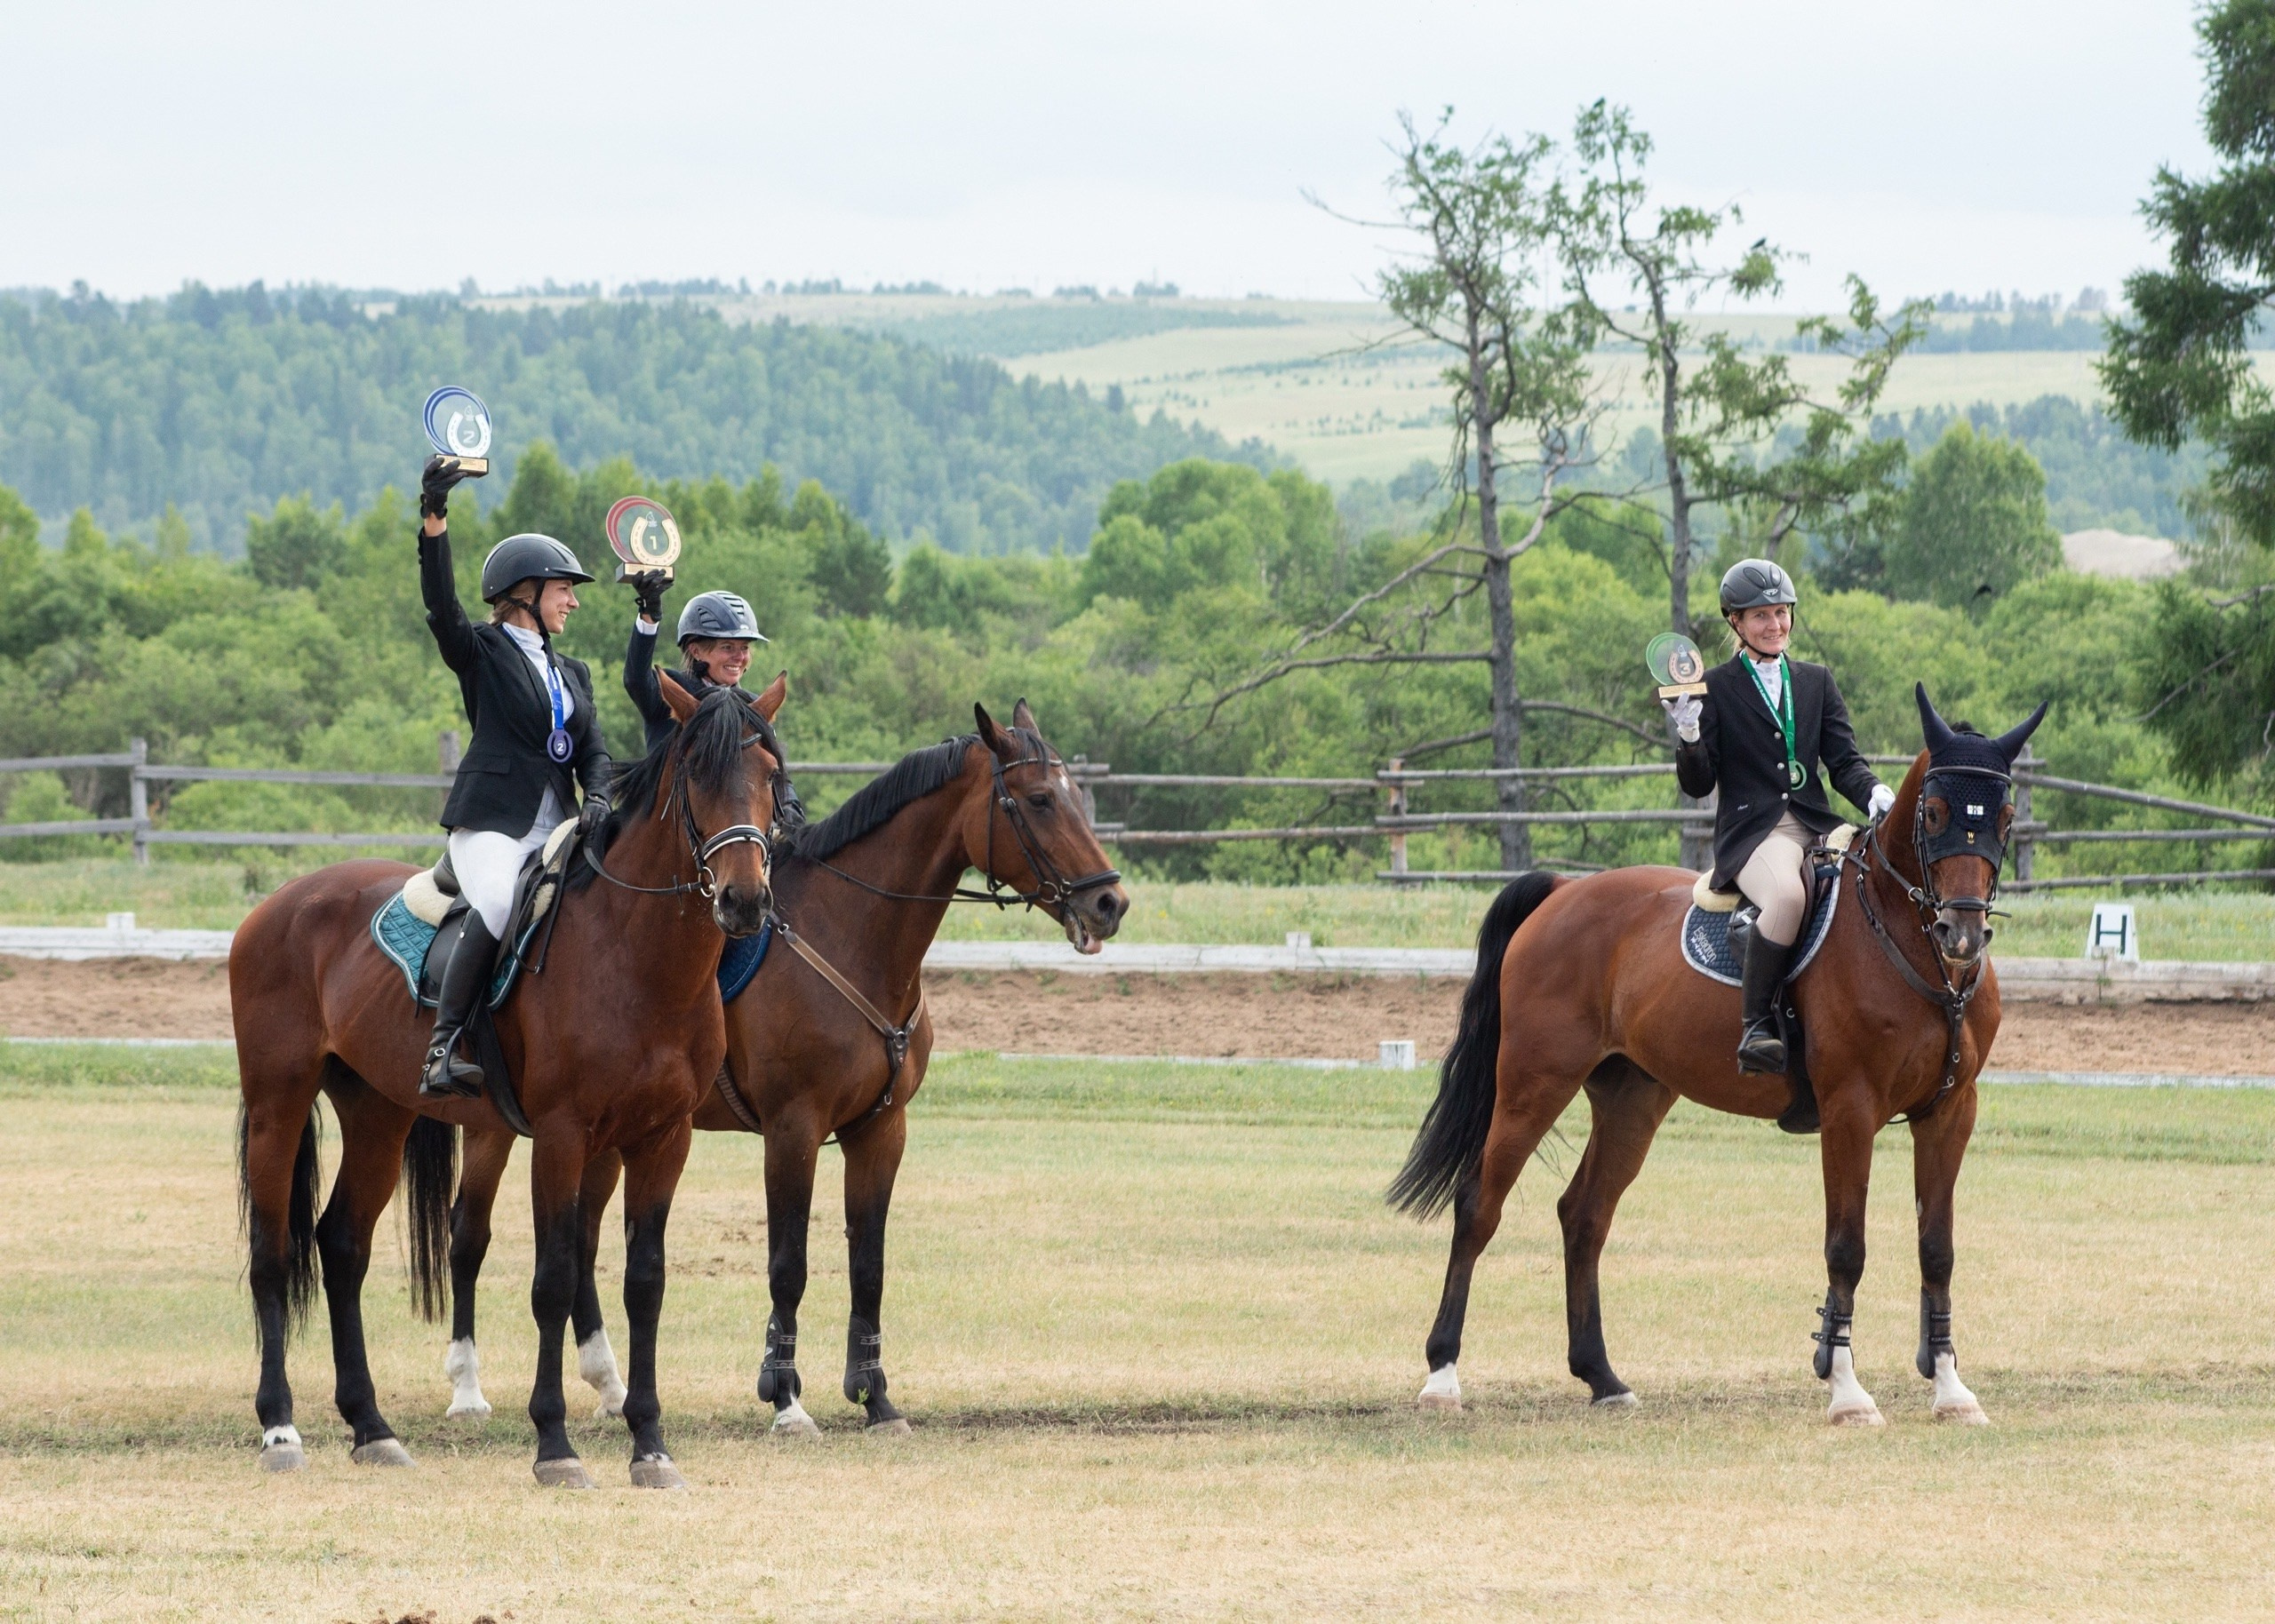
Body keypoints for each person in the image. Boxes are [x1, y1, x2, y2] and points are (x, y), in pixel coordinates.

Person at [1665, 559, 1895, 1126]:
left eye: (1781, 613)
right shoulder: (1716, 688)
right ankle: (1758, 1027)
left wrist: (1874, 792)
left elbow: (1843, 761)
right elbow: (1698, 785)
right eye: (1761, 616)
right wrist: (1689, 734)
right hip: (1755, 833)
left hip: (1816, 825)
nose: (1775, 625)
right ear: (1736, 622)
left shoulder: (1816, 680)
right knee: (1788, 898)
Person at [416, 455, 612, 1098]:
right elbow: (441, 608)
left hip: (559, 827)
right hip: (492, 824)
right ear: (526, 590)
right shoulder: (482, 650)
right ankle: (444, 1046)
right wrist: (435, 516)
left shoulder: (573, 673)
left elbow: (593, 751)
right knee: (499, 902)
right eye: (564, 590)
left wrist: (600, 794)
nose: (573, 602)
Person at [621, 572, 806, 823]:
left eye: (744, 648)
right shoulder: (674, 691)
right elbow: (636, 679)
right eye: (727, 647)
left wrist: (790, 807)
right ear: (696, 651)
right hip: (667, 828)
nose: (739, 657)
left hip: (730, 831)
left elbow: (773, 771)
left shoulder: (754, 706)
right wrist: (649, 615)